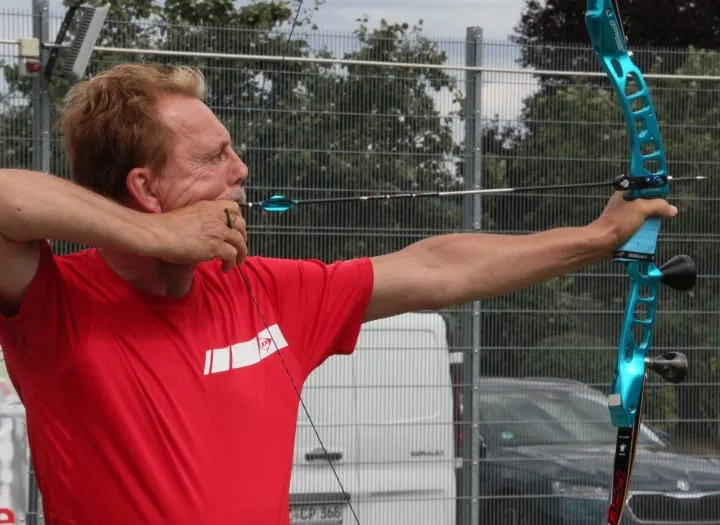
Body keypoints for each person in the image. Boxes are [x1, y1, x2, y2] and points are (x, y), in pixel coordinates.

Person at [0, 63, 677, 525]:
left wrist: (598, 238)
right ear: (145, 189)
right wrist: (158, 237)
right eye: (213, 158)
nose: (241, 169)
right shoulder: (57, 304)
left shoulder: (264, 290)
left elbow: (439, 267)